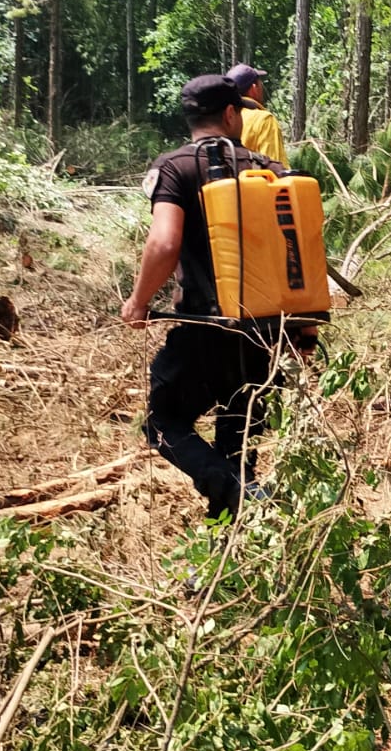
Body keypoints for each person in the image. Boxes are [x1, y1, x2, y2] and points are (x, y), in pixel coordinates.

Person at [121, 74, 289, 519]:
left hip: (203, 326)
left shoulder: (175, 168)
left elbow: (164, 243)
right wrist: (305, 332)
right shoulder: (269, 170)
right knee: (237, 442)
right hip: (263, 332)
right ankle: (238, 511)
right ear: (232, 113)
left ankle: (238, 500)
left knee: (162, 423)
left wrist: (138, 301)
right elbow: (297, 251)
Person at [226, 62, 289, 166]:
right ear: (254, 88)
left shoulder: (225, 118)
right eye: (260, 84)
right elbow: (274, 167)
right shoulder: (264, 120)